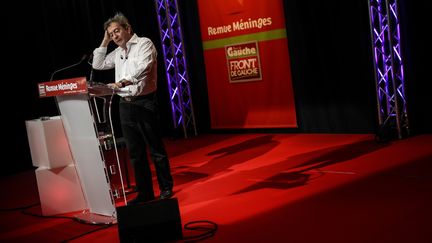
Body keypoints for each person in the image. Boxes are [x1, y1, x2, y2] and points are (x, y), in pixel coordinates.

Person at [92, 13, 174, 204]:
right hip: (125, 106)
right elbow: (98, 64)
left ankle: (166, 188)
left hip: (145, 102)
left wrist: (120, 83)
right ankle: (145, 193)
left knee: (155, 149)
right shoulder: (118, 52)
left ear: (127, 28)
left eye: (117, 31)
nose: (115, 36)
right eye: (111, 34)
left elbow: (143, 68)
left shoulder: (145, 43)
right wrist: (104, 41)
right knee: (135, 153)